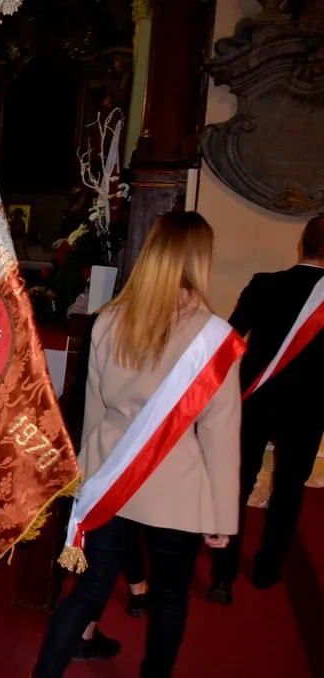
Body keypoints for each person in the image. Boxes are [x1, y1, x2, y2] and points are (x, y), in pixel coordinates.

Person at [33, 212, 244, 678]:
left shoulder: (108, 321)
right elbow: (220, 435)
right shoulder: (216, 338)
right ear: (201, 261)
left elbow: (94, 410)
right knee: (170, 599)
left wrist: (87, 480)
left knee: (88, 592)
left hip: (110, 476)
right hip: (176, 489)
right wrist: (221, 516)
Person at [209, 214, 324, 603]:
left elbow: (229, 339)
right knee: (289, 489)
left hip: (255, 400)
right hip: (309, 408)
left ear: (302, 245)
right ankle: (266, 568)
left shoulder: (264, 283)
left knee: (237, 484)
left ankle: (222, 575)